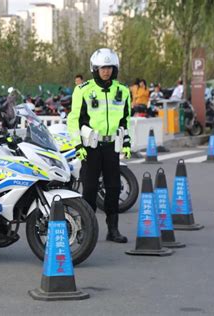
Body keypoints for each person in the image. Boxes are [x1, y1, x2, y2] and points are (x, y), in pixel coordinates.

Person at [67, 48, 131, 243]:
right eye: (102, 68)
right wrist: (78, 146)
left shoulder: (122, 90)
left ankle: (113, 230)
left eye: (110, 68)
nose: (106, 72)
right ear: (94, 69)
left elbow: (125, 119)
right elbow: (74, 119)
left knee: (113, 188)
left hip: (112, 146)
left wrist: (127, 142)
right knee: (90, 189)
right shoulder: (83, 90)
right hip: (90, 148)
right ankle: (86, 230)